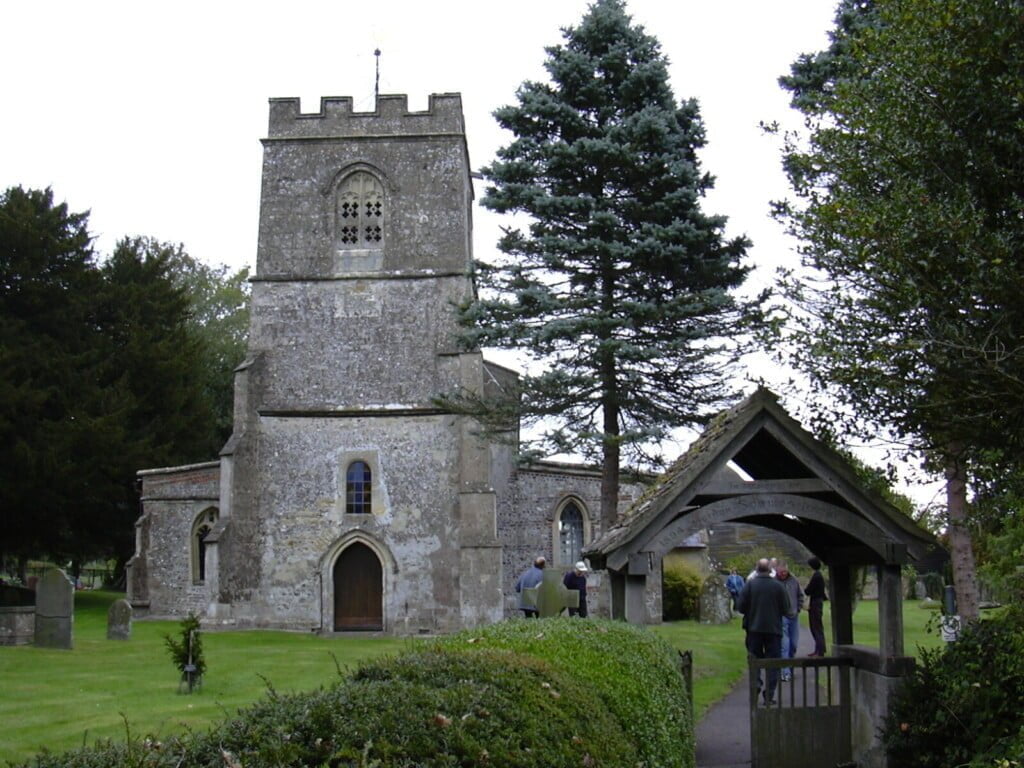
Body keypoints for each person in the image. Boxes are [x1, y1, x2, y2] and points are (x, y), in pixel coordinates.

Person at [737, 558, 792, 706]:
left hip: (753, 629)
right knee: (773, 662)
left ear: (757, 569)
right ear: (769, 570)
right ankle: (769, 694)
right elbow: (787, 609)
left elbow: (740, 607)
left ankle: (756, 685)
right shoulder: (778, 587)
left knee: (755, 659)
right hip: (773, 630)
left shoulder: (749, 586)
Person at [776, 563, 804, 681]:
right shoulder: (775, 583)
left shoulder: (794, 581)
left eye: (785, 572)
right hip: (781, 616)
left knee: (793, 644)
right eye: (781, 572)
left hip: (793, 616)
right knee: (784, 645)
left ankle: (789, 668)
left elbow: (800, 595)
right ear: (777, 571)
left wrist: (798, 608)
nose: (783, 574)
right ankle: (785, 672)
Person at [805, 556, 828, 656]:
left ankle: (820, 650)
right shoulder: (819, 575)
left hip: (815, 603)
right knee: (816, 626)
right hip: (817, 602)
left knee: (816, 627)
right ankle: (818, 649)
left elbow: (808, 590)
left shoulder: (816, 576)